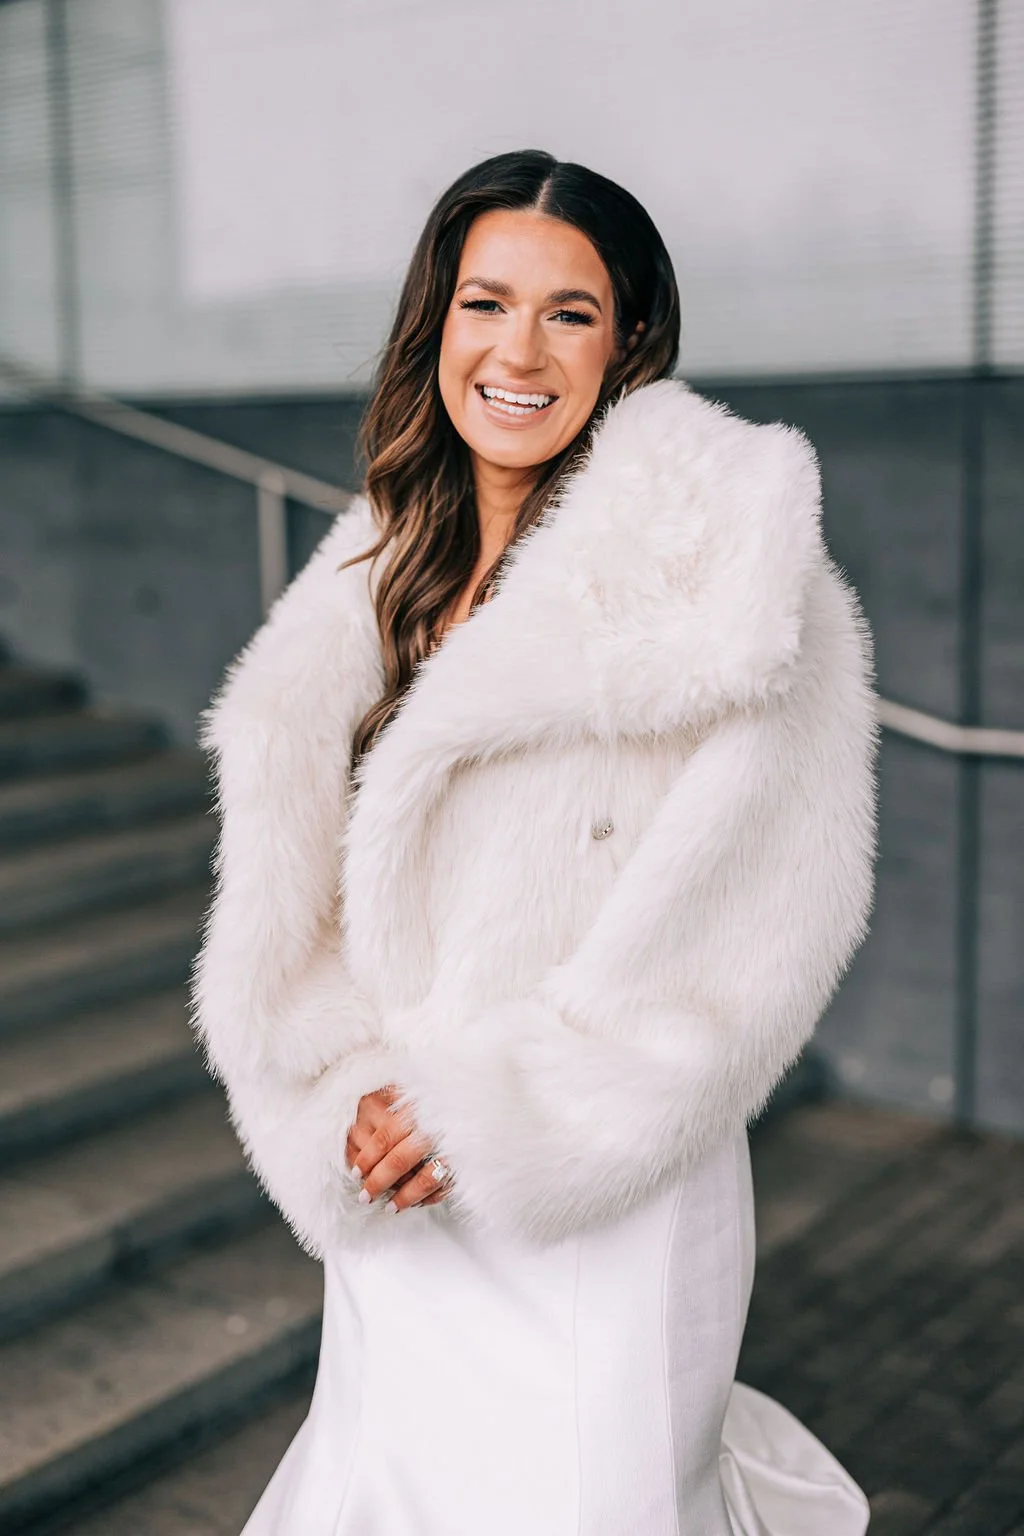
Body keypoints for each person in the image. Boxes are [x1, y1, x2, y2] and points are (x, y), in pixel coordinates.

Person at [191, 149, 877, 1535]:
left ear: (630, 340)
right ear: (432, 325)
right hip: (396, 1192)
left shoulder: (731, 569)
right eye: (482, 302)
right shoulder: (375, 574)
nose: (518, 349)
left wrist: (499, 1107)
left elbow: (761, 920)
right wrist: (359, 1095)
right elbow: (303, 905)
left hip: (597, 1190)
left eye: (569, 312)